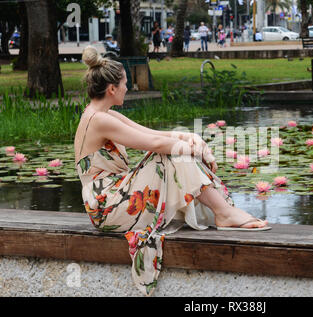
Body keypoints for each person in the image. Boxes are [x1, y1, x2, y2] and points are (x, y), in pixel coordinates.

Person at [76, 46, 271, 296]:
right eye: (125, 83)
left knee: (176, 149)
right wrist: (194, 150)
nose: (128, 87)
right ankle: (224, 212)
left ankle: (224, 212)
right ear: (112, 89)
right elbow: (156, 145)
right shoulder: (99, 119)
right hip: (106, 207)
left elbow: (155, 134)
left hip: (113, 197)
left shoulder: (104, 114)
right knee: (170, 153)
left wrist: (190, 137)